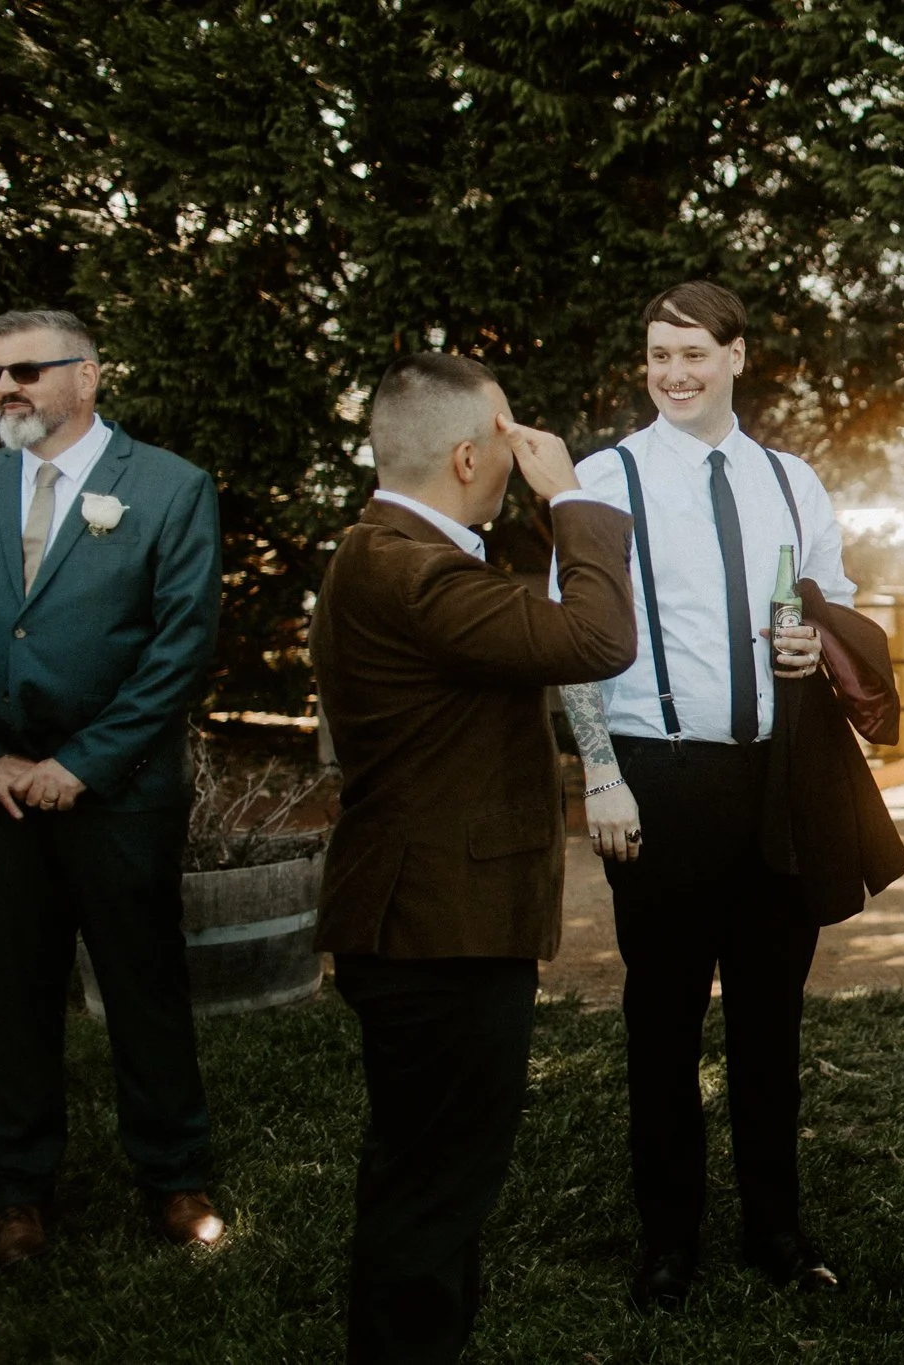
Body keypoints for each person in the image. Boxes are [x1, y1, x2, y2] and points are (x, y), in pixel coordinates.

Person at [310, 353, 636, 1364]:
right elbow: (593, 637)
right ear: (466, 454)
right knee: (434, 1191)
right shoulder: (414, 570)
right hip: (433, 931)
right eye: (507, 435)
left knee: (425, 1177)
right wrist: (571, 496)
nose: (520, 451)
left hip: (424, 921)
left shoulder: (396, 551)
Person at [553, 280, 870, 1309]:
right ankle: (667, 1240)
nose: (674, 374)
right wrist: (599, 772)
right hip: (659, 777)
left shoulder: (792, 478)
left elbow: (834, 597)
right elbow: (572, 642)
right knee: (662, 1018)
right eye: (657, 355)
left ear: (738, 356)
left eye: (693, 353)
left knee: (772, 1019)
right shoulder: (607, 477)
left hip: (776, 776)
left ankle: (776, 1230)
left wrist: (812, 638)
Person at [0, 309, 225, 1264]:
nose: (8, 389)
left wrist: (81, 764)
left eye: (29, 371)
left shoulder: (167, 487)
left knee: (144, 984)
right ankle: (14, 1190)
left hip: (118, 792)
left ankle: (174, 1173)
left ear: (90, 377)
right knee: (13, 991)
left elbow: (180, 648)